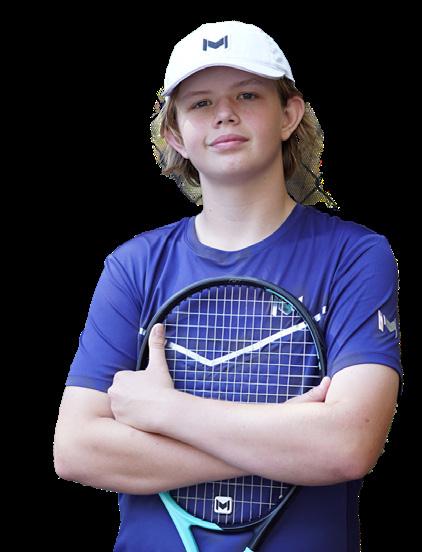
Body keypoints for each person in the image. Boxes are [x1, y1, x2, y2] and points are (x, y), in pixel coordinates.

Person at [54, 21, 402, 551]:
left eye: (247, 95)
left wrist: (165, 413)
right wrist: (289, 439)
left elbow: (347, 445)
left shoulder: (356, 255)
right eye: (200, 103)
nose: (224, 114)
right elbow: (76, 449)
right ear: (175, 135)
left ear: (289, 114)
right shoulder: (132, 266)